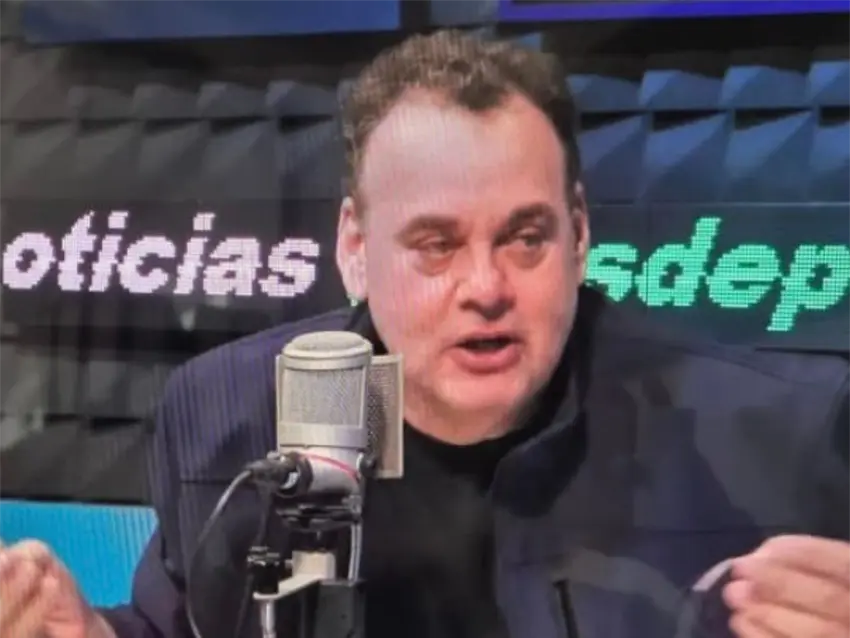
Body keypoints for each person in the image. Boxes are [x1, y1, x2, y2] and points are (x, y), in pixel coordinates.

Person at [2, 28, 850, 638]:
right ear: (355, 249)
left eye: (526, 237)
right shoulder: (230, 413)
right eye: (436, 245)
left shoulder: (777, 438)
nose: (486, 287)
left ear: (580, 233)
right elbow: (179, 625)